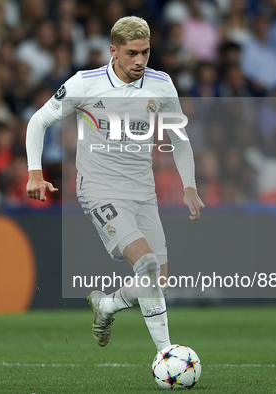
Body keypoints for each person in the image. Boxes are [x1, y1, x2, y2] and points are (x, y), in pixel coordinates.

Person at [25, 16, 204, 351]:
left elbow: (179, 140)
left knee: (156, 282)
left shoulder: (161, 85)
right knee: (148, 266)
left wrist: (189, 186)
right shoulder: (85, 84)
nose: (139, 61)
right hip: (99, 189)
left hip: (142, 192)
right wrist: (35, 172)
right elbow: (38, 121)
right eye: (132, 53)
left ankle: (107, 305)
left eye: (145, 53)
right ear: (113, 51)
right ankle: (166, 354)